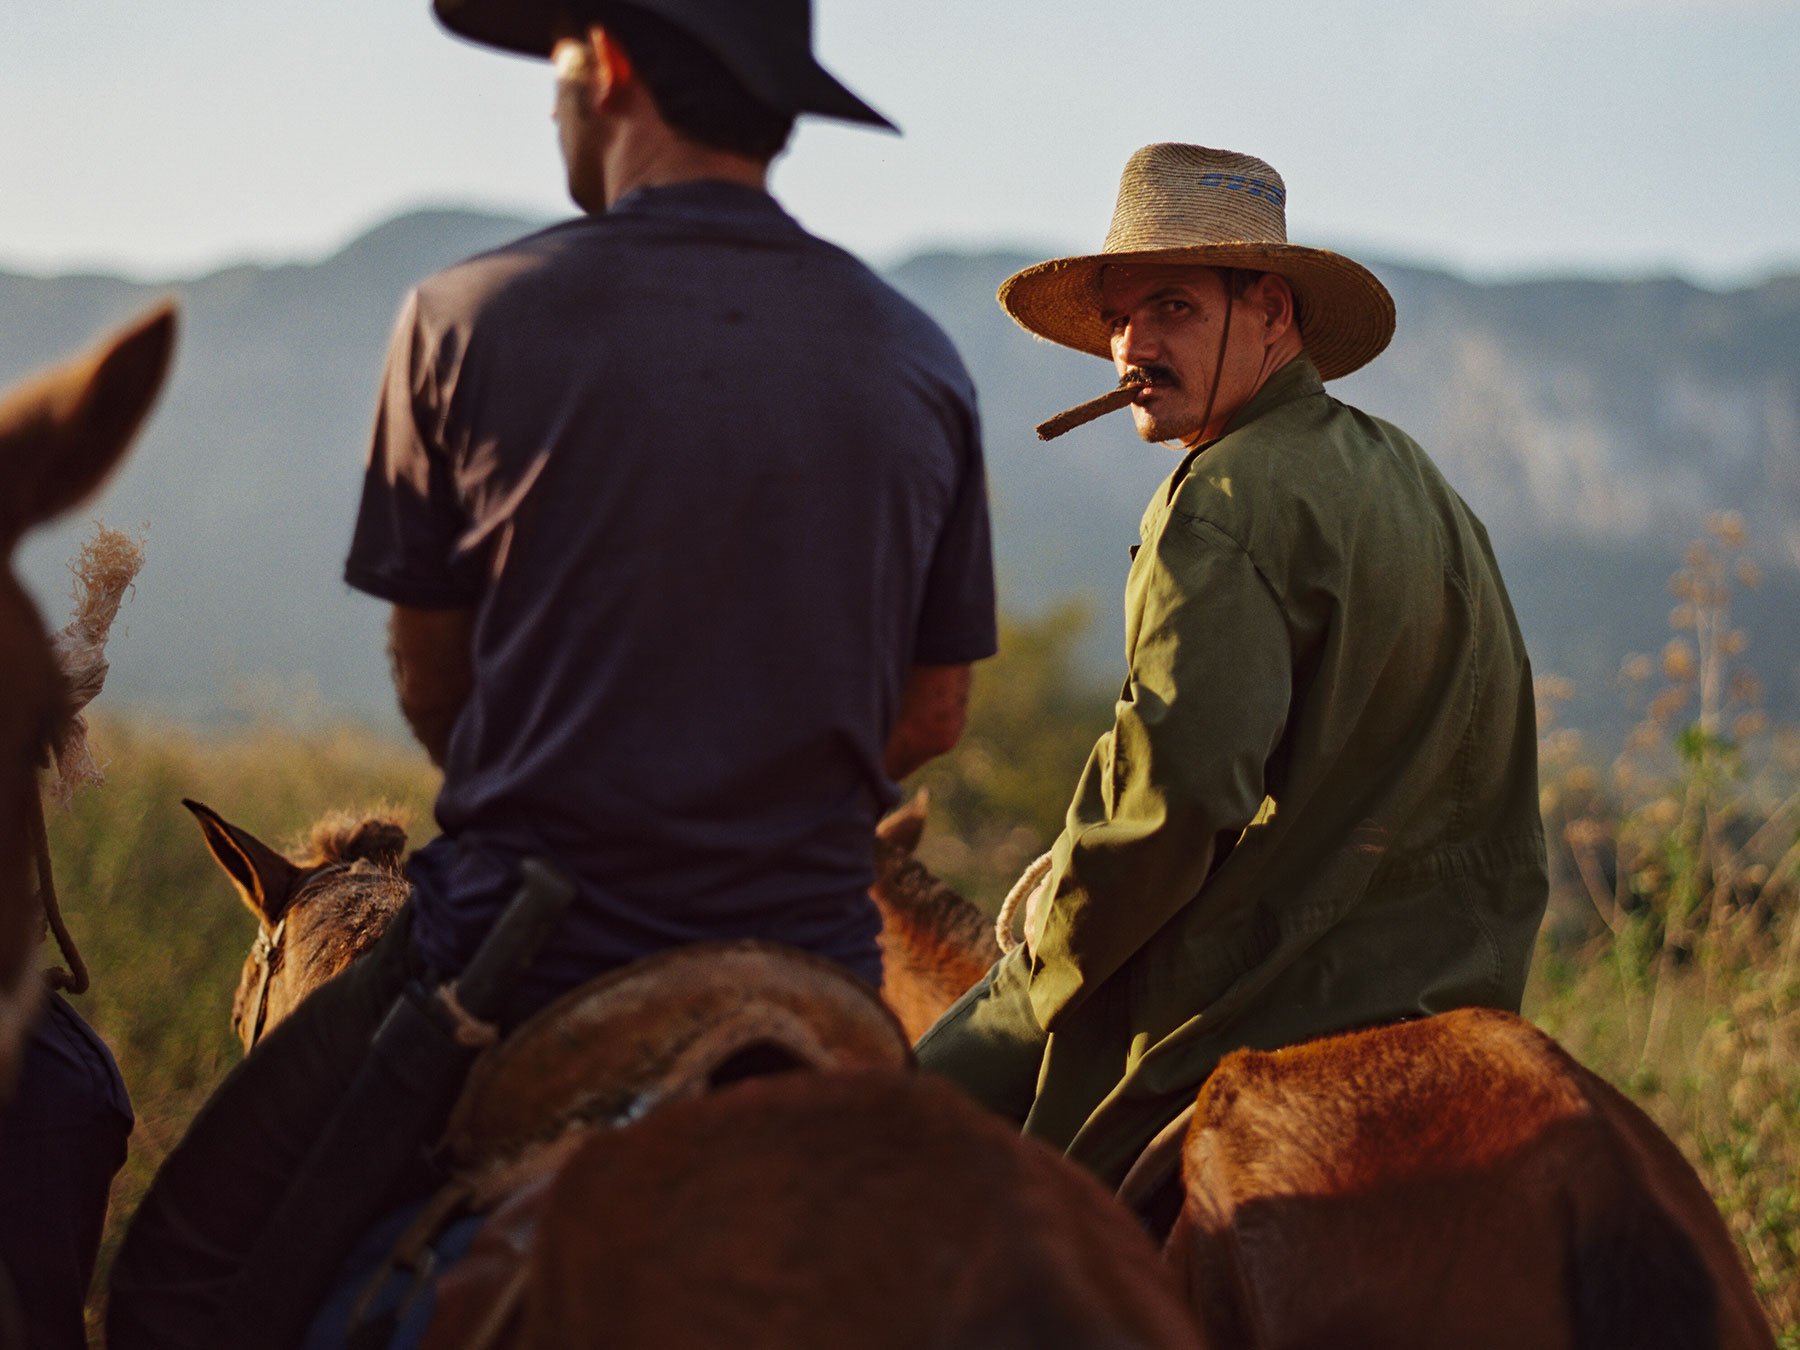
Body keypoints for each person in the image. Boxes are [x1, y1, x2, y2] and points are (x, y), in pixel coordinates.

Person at [107, 3, 994, 1344]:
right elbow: (934, 710)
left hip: (530, 950)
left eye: (557, 65)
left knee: (180, 1272)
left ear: (611, 63)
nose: (552, 98)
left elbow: (435, 688)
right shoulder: (918, 354)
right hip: (817, 959)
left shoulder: (465, 317)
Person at [915, 143, 1548, 1198]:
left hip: (1276, 1001)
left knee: (915, 1145)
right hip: (1465, 994)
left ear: (1273, 315)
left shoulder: (1219, 499)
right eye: (1119, 317)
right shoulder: (1413, 475)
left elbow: (1176, 805)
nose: (1132, 347)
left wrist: (1029, 980)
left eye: (1172, 309)